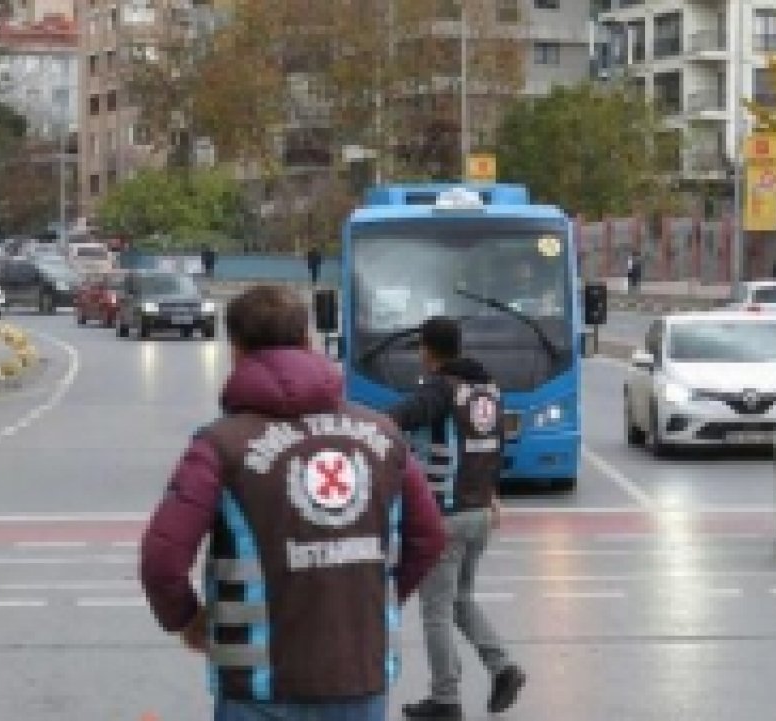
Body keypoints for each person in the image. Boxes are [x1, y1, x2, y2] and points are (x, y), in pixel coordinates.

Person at [140, 285, 447, 721]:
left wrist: (188, 621)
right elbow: (429, 536)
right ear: (308, 341)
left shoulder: (220, 445)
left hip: (258, 686)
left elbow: (162, 560)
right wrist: (378, 600)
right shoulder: (384, 436)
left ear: (237, 350)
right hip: (358, 674)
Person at [389, 317, 526, 721]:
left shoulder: (439, 390)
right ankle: (503, 669)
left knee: (435, 611)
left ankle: (446, 699)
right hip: (480, 513)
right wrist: (493, 495)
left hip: (444, 516)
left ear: (428, 351)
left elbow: (394, 417)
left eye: (421, 349)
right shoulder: (488, 390)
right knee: (460, 599)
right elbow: (491, 448)